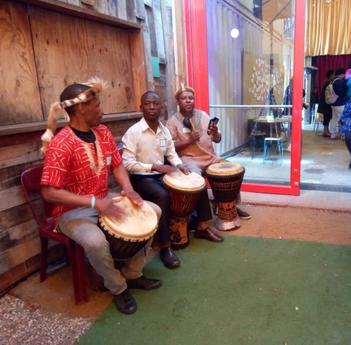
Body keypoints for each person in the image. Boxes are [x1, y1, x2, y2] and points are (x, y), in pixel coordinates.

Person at [40, 79, 160, 315]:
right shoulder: (61, 144)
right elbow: (49, 192)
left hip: (105, 198)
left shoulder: (103, 132)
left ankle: (133, 273)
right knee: (95, 242)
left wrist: (128, 188)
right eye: (97, 104)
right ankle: (118, 287)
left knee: (153, 212)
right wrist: (95, 203)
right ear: (82, 108)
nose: (102, 109)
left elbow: (117, 166)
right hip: (71, 212)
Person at [122, 91, 224, 247]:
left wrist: (178, 165)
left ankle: (202, 226)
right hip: (142, 177)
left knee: (196, 182)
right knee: (163, 195)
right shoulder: (133, 132)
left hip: (161, 174)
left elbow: (170, 153)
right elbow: (127, 163)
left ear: (161, 107)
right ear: (141, 107)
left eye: (155, 104)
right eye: (148, 104)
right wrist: (155, 167)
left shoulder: (163, 131)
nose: (151, 107)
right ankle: (165, 245)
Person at [166, 86, 251, 220]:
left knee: (234, 172)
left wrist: (216, 133)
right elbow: (169, 148)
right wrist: (188, 141)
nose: (188, 101)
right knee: (196, 180)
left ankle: (230, 204)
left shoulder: (204, 115)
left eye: (191, 98)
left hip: (211, 158)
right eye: (184, 98)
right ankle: (197, 215)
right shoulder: (172, 122)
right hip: (190, 160)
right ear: (178, 101)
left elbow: (217, 139)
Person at [329, 68, 348, 139]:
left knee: (334, 119)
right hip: (340, 103)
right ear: (342, 74)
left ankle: (333, 134)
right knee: (343, 119)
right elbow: (343, 92)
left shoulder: (333, 81)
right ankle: (343, 135)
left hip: (334, 103)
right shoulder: (340, 82)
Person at [317, 69, 335, 137]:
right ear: (330, 75)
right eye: (333, 74)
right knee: (327, 117)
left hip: (324, 102)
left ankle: (326, 131)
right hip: (325, 103)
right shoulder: (328, 82)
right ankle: (325, 131)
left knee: (327, 117)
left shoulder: (326, 81)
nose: (334, 76)